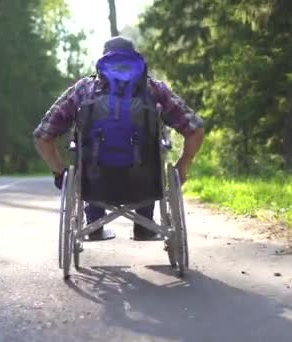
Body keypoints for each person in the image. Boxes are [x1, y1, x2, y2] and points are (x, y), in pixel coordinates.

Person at [33, 36, 204, 241]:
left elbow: (43, 136)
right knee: (148, 156)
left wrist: (60, 173)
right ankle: (144, 226)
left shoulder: (85, 89)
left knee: (90, 158)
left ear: (103, 58)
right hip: (144, 183)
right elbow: (195, 129)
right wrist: (182, 167)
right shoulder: (153, 89)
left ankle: (94, 225)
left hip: (95, 182)